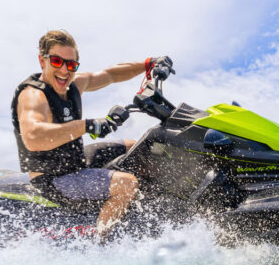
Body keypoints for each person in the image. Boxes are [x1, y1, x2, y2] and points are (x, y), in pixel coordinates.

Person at [11, 29, 171, 241]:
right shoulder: (33, 96)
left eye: (71, 65)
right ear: (42, 61)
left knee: (138, 146)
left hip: (76, 160)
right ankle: (100, 241)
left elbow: (111, 74)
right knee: (126, 184)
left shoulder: (74, 84)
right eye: (57, 61)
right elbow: (33, 137)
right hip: (53, 178)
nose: (65, 70)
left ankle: (159, 203)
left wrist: (148, 64)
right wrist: (87, 125)